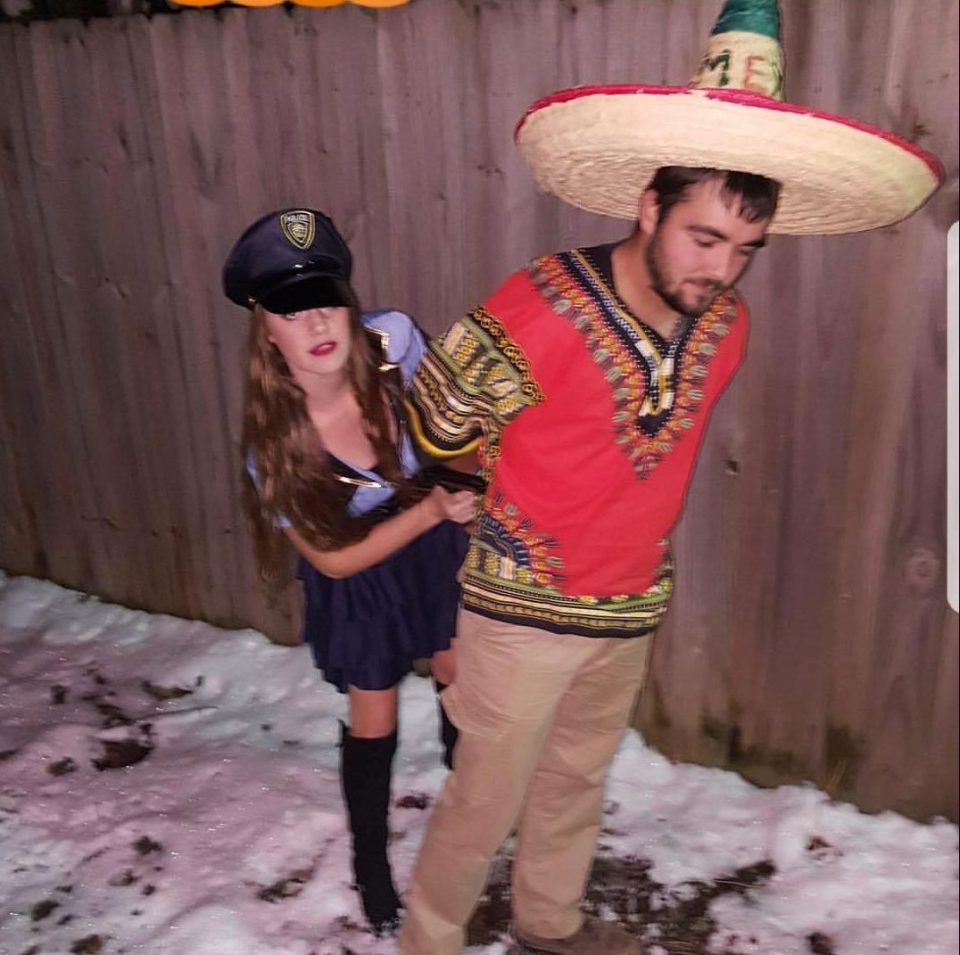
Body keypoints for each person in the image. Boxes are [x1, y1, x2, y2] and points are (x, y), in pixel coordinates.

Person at [397, 1, 942, 953]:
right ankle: (430, 939)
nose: (721, 270)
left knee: (576, 782)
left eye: (743, 250)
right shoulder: (542, 304)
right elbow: (436, 416)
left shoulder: (725, 329)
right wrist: (495, 492)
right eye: (703, 237)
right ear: (649, 206)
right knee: (484, 798)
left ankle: (549, 923)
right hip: (520, 612)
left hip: (627, 604)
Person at [221, 207, 477, 937]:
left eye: (327, 297)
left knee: (463, 672)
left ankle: (467, 819)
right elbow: (330, 558)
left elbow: (452, 423)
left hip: (432, 548)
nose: (319, 322)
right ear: (265, 327)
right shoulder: (272, 447)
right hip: (360, 575)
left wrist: (463, 484)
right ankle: (370, 860)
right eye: (293, 311)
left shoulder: (393, 342)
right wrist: (430, 512)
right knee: (376, 711)